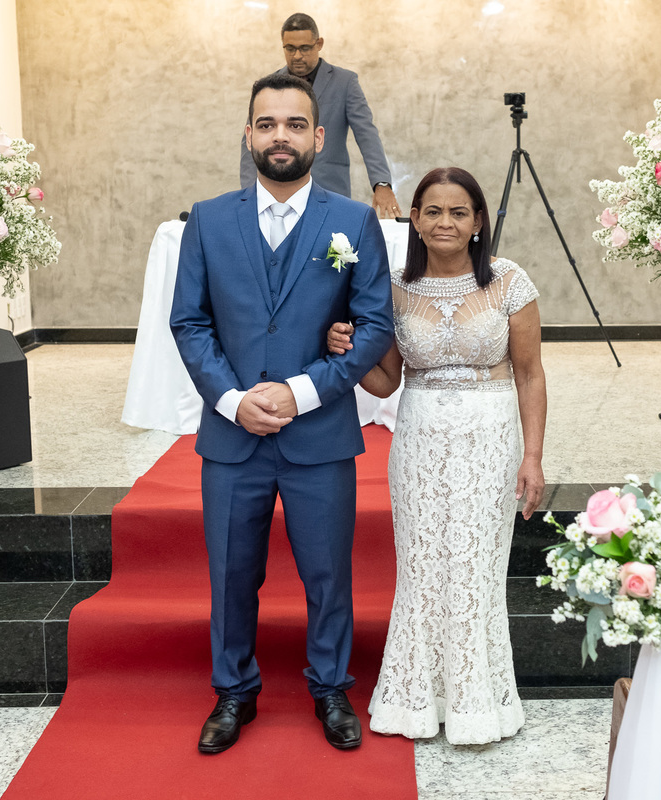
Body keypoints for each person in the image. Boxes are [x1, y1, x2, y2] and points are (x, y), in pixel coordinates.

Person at [171, 72, 395, 755]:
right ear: (248, 135)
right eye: (266, 124)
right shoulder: (209, 219)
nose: (280, 136)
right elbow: (189, 322)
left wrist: (299, 392)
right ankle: (234, 690)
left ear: (318, 137)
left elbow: (376, 324)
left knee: (328, 573)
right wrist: (235, 400)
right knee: (232, 573)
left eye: (295, 125)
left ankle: (330, 687)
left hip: (319, 433)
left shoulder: (353, 222)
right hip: (231, 436)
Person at [328, 167, 547, 745]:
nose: (444, 222)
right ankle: (415, 701)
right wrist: (347, 351)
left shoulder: (509, 281)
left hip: (491, 435)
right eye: (432, 211)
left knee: (476, 569)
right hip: (420, 434)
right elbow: (385, 381)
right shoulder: (395, 289)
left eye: (458, 212)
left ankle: (479, 703)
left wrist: (534, 457)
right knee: (422, 569)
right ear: (415, 220)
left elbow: (530, 374)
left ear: (478, 222)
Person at [239, 13, 403, 219]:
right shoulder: (268, 86)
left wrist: (381, 183)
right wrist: (248, 191)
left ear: (319, 44)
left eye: (304, 48)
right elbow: (250, 140)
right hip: (276, 195)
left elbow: (366, 134)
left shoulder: (345, 82)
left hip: (330, 190)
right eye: (290, 48)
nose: (297, 55)